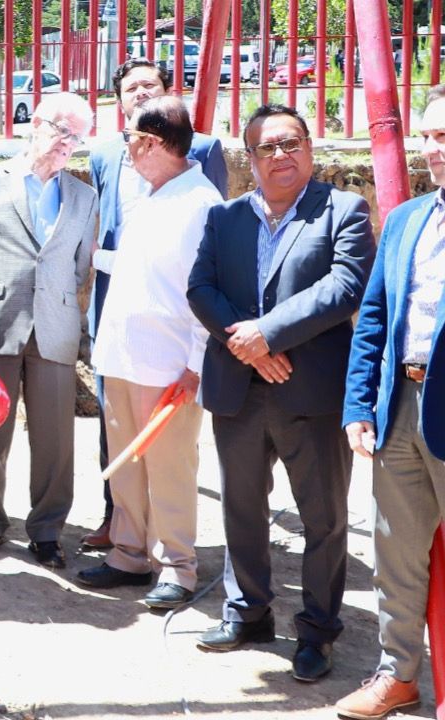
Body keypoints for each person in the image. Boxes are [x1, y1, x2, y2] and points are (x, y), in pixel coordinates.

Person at [187, 104, 374, 682]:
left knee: (324, 519)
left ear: (310, 148)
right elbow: (201, 287)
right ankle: (250, 612)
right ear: (251, 158)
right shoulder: (225, 218)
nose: (280, 155)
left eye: (291, 142)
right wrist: (248, 345)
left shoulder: (344, 210)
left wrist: (266, 334)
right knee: (242, 509)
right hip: (238, 389)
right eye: (266, 147)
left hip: (311, 392)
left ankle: (317, 632)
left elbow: (345, 287)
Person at [73, 97, 216, 610]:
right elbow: (147, 271)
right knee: (128, 463)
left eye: (131, 136)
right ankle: (130, 553)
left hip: (168, 364)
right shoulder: (152, 194)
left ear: (153, 143)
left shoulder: (199, 202)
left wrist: (196, 367)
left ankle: (176, 565)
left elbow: (206, 291)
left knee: (170, 467)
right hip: (122, 358)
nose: (125, 146)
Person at [333, 86, 445, 719]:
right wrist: (358, 405)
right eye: (429, 136)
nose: (435, 149)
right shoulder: (405, 218)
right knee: (394, 555)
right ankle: (397, 675)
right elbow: (372, 318)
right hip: (397, 405)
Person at [0, 92, 96, 566]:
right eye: (62, 130)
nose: (68, 143)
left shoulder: (84, 195)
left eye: (77, 136)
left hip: (55, 327)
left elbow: (80, 268)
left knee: (56, 438)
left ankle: (46, 530)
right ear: (34, 123)